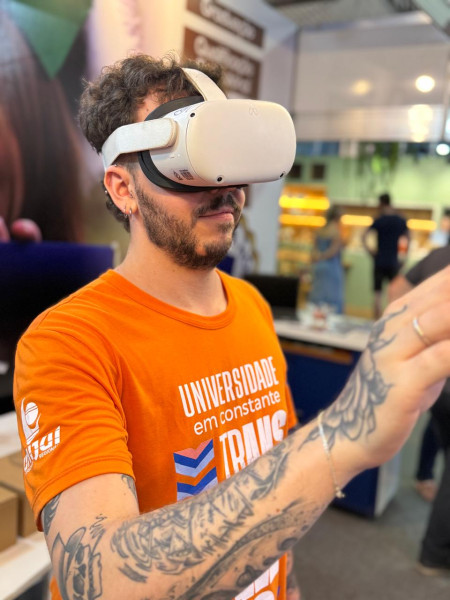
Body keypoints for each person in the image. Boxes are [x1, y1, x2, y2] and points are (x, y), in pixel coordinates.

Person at [13, 54, 450, 600]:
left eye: (229, 156)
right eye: (189, 160)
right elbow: (99, 581)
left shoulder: (250, 306)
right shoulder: (68, 342)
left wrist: (287, 588)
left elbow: (274, 489)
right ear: (123, 189)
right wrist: (342, 437)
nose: (224, 187)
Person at [389, 245, 450, 575]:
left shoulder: (438, 255)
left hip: (433, 380)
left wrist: (406, 340)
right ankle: (434, 554)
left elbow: (396, 291)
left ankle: (424, 477)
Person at [362, 192, 409, 319]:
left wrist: (371, 252)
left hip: (379, 260)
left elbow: (363, 236)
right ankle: (390, 321)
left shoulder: (379, 219)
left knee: (377, 293)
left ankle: (375, 321)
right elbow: (408, 238)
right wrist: (404, 257)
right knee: (393, 294)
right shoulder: (400, 219)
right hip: (393, 261)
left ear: (381, 203)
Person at [308, 205, 345, 314]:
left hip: (319, 266)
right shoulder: (336, 231)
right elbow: (333, 251)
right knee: (331, 299)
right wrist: (323, 256)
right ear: (337, 217)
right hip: (331, 268)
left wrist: (318, 258)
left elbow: (314, 251)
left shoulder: (320, 230)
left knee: (318, 296)